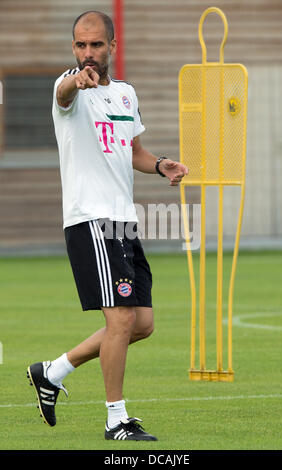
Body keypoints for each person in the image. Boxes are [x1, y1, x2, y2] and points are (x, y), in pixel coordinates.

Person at [27, 10, 188, 441]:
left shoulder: (126, 95)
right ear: (74, 49)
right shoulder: (69, 88)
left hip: (124, 221)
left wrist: (158, 165)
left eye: (96, 45)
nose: (88, 54)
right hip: (91, 219)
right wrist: (74, 81)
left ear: (112, 46)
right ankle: (116, 419)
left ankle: (53, 371)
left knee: (142, 323)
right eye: (80, 45)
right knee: (120, 320)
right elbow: (63, 94)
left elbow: (130, 151)